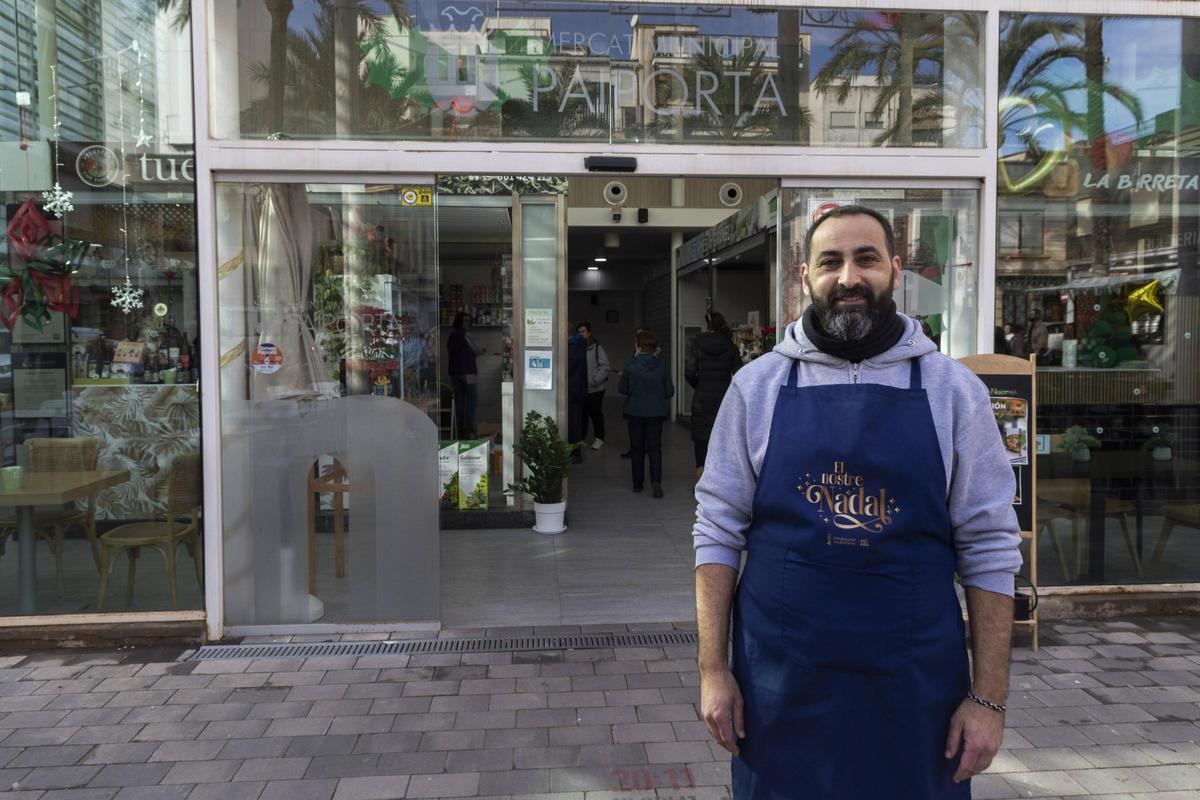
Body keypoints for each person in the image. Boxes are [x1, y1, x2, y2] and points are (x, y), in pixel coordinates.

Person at [693, 205, 1022, 799]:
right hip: (780, 689)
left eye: (866, 258)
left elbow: (990, 546)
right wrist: (714, 672)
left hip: (916, 692)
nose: (849, 277)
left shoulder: (953, 392)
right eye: (831, 262)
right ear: (804, 277)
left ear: (894, 269)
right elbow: (716, 531)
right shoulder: (757, 388)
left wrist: (988, 697)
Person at [685, 311, 741, 481]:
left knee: (701, 443)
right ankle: (720, 484)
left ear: (707, 326)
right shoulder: (731, 347)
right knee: (723, 441)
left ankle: (701, 482)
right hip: (724, 401)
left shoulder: (698, 344)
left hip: (701, 401)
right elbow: (740, 374)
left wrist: (700, 386)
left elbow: (689, 371)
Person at [619, 329, 674, 497]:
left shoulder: (630, 365)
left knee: (637, 448)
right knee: (655, 448)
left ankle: (637, 484)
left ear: (638, 346)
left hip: (635, 411)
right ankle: (656, 481)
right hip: (656, 412)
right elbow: (669, 392)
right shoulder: (662, 365)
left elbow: (622, 389)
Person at [447, 312, 481, 439]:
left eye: (468, 320)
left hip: (454, 373)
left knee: (459, 402)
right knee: (471, 401)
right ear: (460, 322)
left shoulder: (451, 336)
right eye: (465, 320)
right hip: (468, 372)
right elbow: (477, 349)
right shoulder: (466, 334)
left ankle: (459, 431)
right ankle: (468, 431)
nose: (467, 323)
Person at [577, 322, 611, 450]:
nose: (581, 334)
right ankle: (581, 438)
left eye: (583, 331)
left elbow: (605, 366)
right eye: (579, 332)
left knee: (596, 414)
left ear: (589, 333)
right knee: (582, 415)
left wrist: (594, 381)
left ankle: (599, 438)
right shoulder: (576, 347)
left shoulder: (596, 347)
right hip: (581, 389)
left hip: (595, 388)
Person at [566, 327, 588, 463]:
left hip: (572, 390)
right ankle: (575, 451)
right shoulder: (578, 345)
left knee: (573, 424)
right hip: (577, 390)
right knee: (575, 422)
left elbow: (566, 368)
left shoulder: (572, 348)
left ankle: (575, 453)